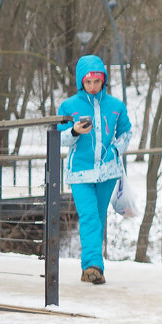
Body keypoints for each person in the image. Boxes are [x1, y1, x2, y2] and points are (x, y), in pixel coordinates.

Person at [57, 54, 132, 285]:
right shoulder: (69, 106)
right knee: (89, 216)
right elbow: (58, 137)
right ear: (81, 81)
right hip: (80, 172)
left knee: (97, 218)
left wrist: (115, 151)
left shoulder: (116, 106)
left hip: (108, 172)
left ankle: (91, 268)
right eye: (88, 82)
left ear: (103, 80)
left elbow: (126, 133)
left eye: (97, 81)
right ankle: (93, 265)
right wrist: (74, 131)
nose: (92, 86)